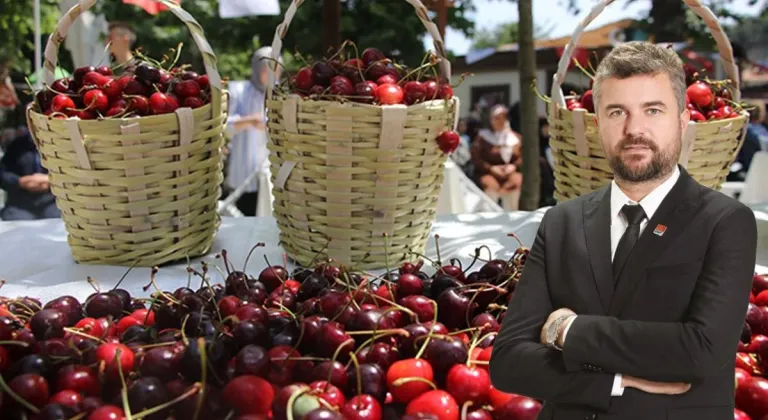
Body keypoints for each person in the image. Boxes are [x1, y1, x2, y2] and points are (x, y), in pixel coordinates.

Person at [489, 41, 756, 419]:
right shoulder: (562, 221)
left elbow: (701, 351)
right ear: (598, 124)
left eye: (652, 110)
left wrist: (568, 330)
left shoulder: (725, 221)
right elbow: (509, 362)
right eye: (617, 112)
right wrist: (611, 383)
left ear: (682, 121)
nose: (634, 129)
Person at [225, 47, 280, 216]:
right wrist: (250, 120)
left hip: (271, 174)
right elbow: (225, 125)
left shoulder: (280, 93)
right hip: (244, 173)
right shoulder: (238, 91)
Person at [471, 104, 523, 211]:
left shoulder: (515, 137)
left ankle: (511, 218)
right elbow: (476, 157)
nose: (500, 121)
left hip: (510, 172)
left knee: (515, 183)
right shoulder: (482, 137)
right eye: (497, 118)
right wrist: (490, 168)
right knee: (490, 187)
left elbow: (522, 156)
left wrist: (513, 166)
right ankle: (490, 219)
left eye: (503, 118)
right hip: (489, 172)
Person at [0, 131, 60, 220]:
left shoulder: (61, 144)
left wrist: (50, 180)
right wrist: (19, 182)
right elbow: (3, 174)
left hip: (54, 201)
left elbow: (75, 174)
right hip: (20, 203)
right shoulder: (17, 144)